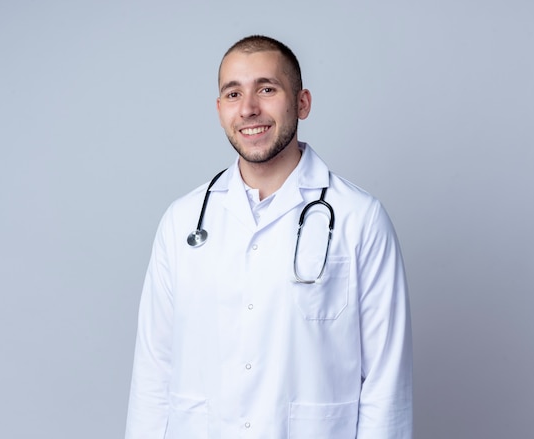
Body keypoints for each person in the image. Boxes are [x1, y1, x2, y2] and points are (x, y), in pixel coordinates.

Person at [125, 35, 412, 439]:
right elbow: (153, 371)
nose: (248, 108)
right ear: (220, 109)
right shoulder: (183, 222)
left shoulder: (359, 219)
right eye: (233, 93)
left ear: (302, 102)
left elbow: (387, 381)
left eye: (266, 88)